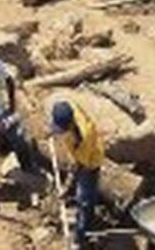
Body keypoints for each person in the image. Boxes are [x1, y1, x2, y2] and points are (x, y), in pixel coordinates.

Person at [50, 100, 103, 250]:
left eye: (61, 129)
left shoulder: (84, 137)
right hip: (77, 155)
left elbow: (78, 167)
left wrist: (66, 188)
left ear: (70, 125)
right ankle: (87, 211)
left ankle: (81, 236)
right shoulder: (69, 108)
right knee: (83, 193)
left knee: (84, 197)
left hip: (90, 162)